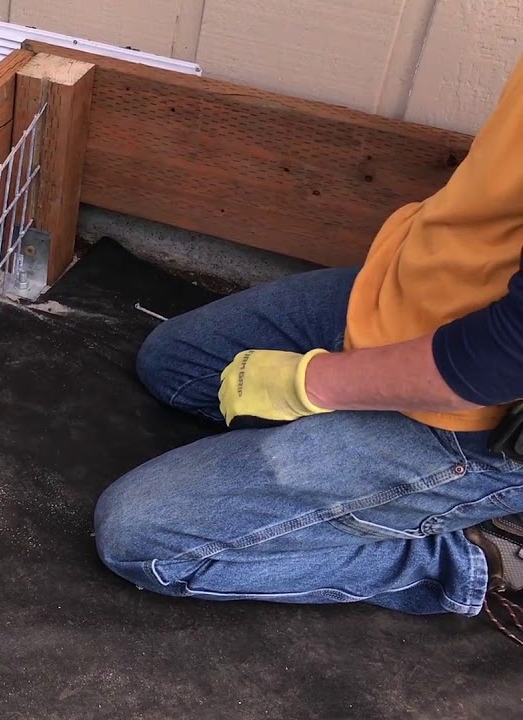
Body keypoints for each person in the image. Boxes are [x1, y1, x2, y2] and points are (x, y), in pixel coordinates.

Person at [92, 57, 523, 646]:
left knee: (145, 539)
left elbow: (498, 358)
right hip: (424, 295)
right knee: (178, 365)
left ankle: (468, 556)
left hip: (486, 415)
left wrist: (310, 384)